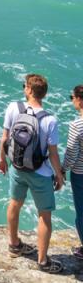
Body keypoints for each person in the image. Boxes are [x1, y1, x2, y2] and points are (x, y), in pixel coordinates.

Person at [0, 73, 64, 273]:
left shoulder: (13, 108)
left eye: (24, 86)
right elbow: (52, 154)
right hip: (40, 173)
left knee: (14, 203)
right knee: (44, 215)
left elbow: (5, 138)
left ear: (28, 90)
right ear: (43, 94)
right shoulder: (50, 120)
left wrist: (2, 159)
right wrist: (59, 175)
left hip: (17, 167)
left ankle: (14, 245)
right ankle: (43, 261)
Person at [62, 84, 83, 260]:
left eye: (72, 98)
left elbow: (71, 154)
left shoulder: (77, 125)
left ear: (80, 100)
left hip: (80, 175)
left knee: (82, 212)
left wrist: (61, 170)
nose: (72, 101)